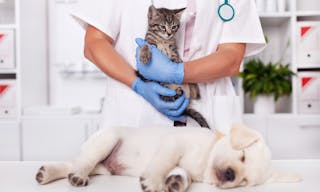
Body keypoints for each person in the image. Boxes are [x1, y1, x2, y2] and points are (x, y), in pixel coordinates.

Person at [71, 0, 265, 134]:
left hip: (208, 115)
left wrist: (176, 73)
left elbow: (231, 57)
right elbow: (94, 44)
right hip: (135, 115)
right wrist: (138, 84)